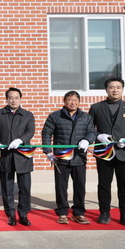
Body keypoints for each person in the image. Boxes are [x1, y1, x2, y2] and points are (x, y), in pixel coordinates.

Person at [41, 91, 96, 224]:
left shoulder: (86, 117)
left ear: (79, 102)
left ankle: (78, 213)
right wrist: (48, 151)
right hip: (61, 158)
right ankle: (62, 212)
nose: (73, 103)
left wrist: (87, 140)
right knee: (61, 186)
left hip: (79, 158)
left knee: (80, 186)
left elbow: (92, 132)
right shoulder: (55, 116)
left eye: (75, 100)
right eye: (70, 100)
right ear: (64, 101)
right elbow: (46, 133)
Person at [0, 87, 35, 226]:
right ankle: (10, 214)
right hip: (5, 156)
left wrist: (20, 140)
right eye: (10, 97)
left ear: (20, 99)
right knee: (7, 188)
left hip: (23, 156)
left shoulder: (27, 115)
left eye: (16, 98)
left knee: (25, 187)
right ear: (6, 99)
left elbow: (30, 131)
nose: (13, 100)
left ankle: (23, 214)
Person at [89, 76, 125, 226]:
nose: (115, 90)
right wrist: (98, 135)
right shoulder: (96, 108)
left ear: (122, 89)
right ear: (106, 89)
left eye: (118, 87)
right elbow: (88, 128)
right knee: (104, 184)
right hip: (104, 152)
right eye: (111, 87)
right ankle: (104, 213)